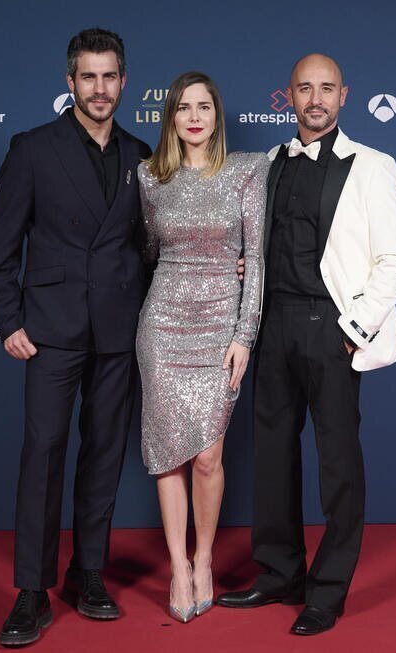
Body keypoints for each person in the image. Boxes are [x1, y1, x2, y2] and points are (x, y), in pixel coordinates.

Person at [216, 54, 396, 636]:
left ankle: (327, 590)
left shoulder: (373, 166)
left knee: (338, 464)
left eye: (327, 88)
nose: (316, 98)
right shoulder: (268, 163)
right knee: (272, 456)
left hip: (333, 328)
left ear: (344, 95)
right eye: (305, 88)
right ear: (289, 96)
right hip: (273, 324)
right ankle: (278, 573)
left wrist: (354, 331)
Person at [0, 28, 152, 647]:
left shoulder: (142, 153)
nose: (100, 88)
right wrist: (9, 320)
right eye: (88, 77)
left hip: (118, 329)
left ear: (124, 81)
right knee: (44, 455)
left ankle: (89, 573)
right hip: (49, 330)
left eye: (110, 77)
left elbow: (154, 247)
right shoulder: (31, 148)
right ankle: (32, 590)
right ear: (70, 81)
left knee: (104, 456)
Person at [136, 71, 269, 623]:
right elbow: (147, 249)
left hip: (221, 323)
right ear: (171, 117)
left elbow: (255, 258)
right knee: (169, 456)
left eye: (204, 107)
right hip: (163, 324)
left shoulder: (246, 171)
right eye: (184, 107)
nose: (194, 116)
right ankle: (178, 566)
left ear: (217, 116)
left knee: (209, 455)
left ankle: (206, 558)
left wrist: (245, 333)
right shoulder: (149, 177)